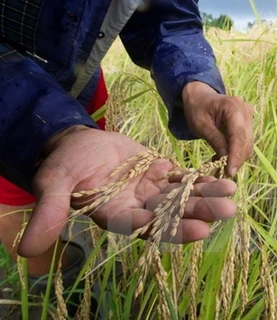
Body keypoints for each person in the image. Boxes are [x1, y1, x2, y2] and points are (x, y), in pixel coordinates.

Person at [0, 0, 253, 281]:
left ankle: (86, 275)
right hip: (7, 106)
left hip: (81, 88)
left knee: (86, 195)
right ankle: (60, 290)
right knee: (18, 214)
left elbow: (168, 16)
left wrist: (196, 85)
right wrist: (50, 129)